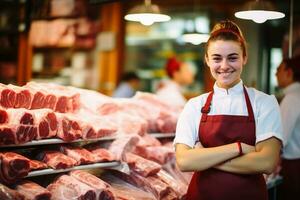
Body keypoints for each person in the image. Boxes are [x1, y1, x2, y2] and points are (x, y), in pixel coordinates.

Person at [174, 20, 283, 200]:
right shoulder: (194, 106)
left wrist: (203, 158)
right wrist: (239, 147)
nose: (224, 66)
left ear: (244, 58)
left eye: (232, 57)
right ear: (207, 60)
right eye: (217, 58)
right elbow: (184, 161)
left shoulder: (264, 103)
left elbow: (267, 162)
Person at [276, 55, 300, 200]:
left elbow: (280, 138)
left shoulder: (292, 98)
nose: (275, 74)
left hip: (293, 165)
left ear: (289, 72)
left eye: (279, 70)